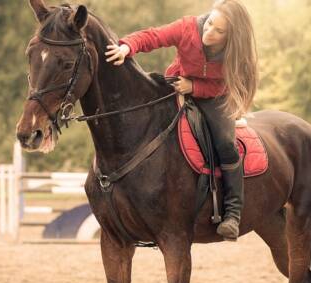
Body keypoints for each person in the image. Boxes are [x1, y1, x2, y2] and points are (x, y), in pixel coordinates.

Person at [105, 0, 258, 240]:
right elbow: (153, 36)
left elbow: (228, 85)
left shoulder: (236, 54)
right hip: (175, 84)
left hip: (214, 95)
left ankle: (233, 213)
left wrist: (195, 87)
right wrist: (126, 47)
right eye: (209, 24)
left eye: (219, 31)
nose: (209, 32)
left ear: (232, 37)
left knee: (226, 144)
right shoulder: (187, 28)